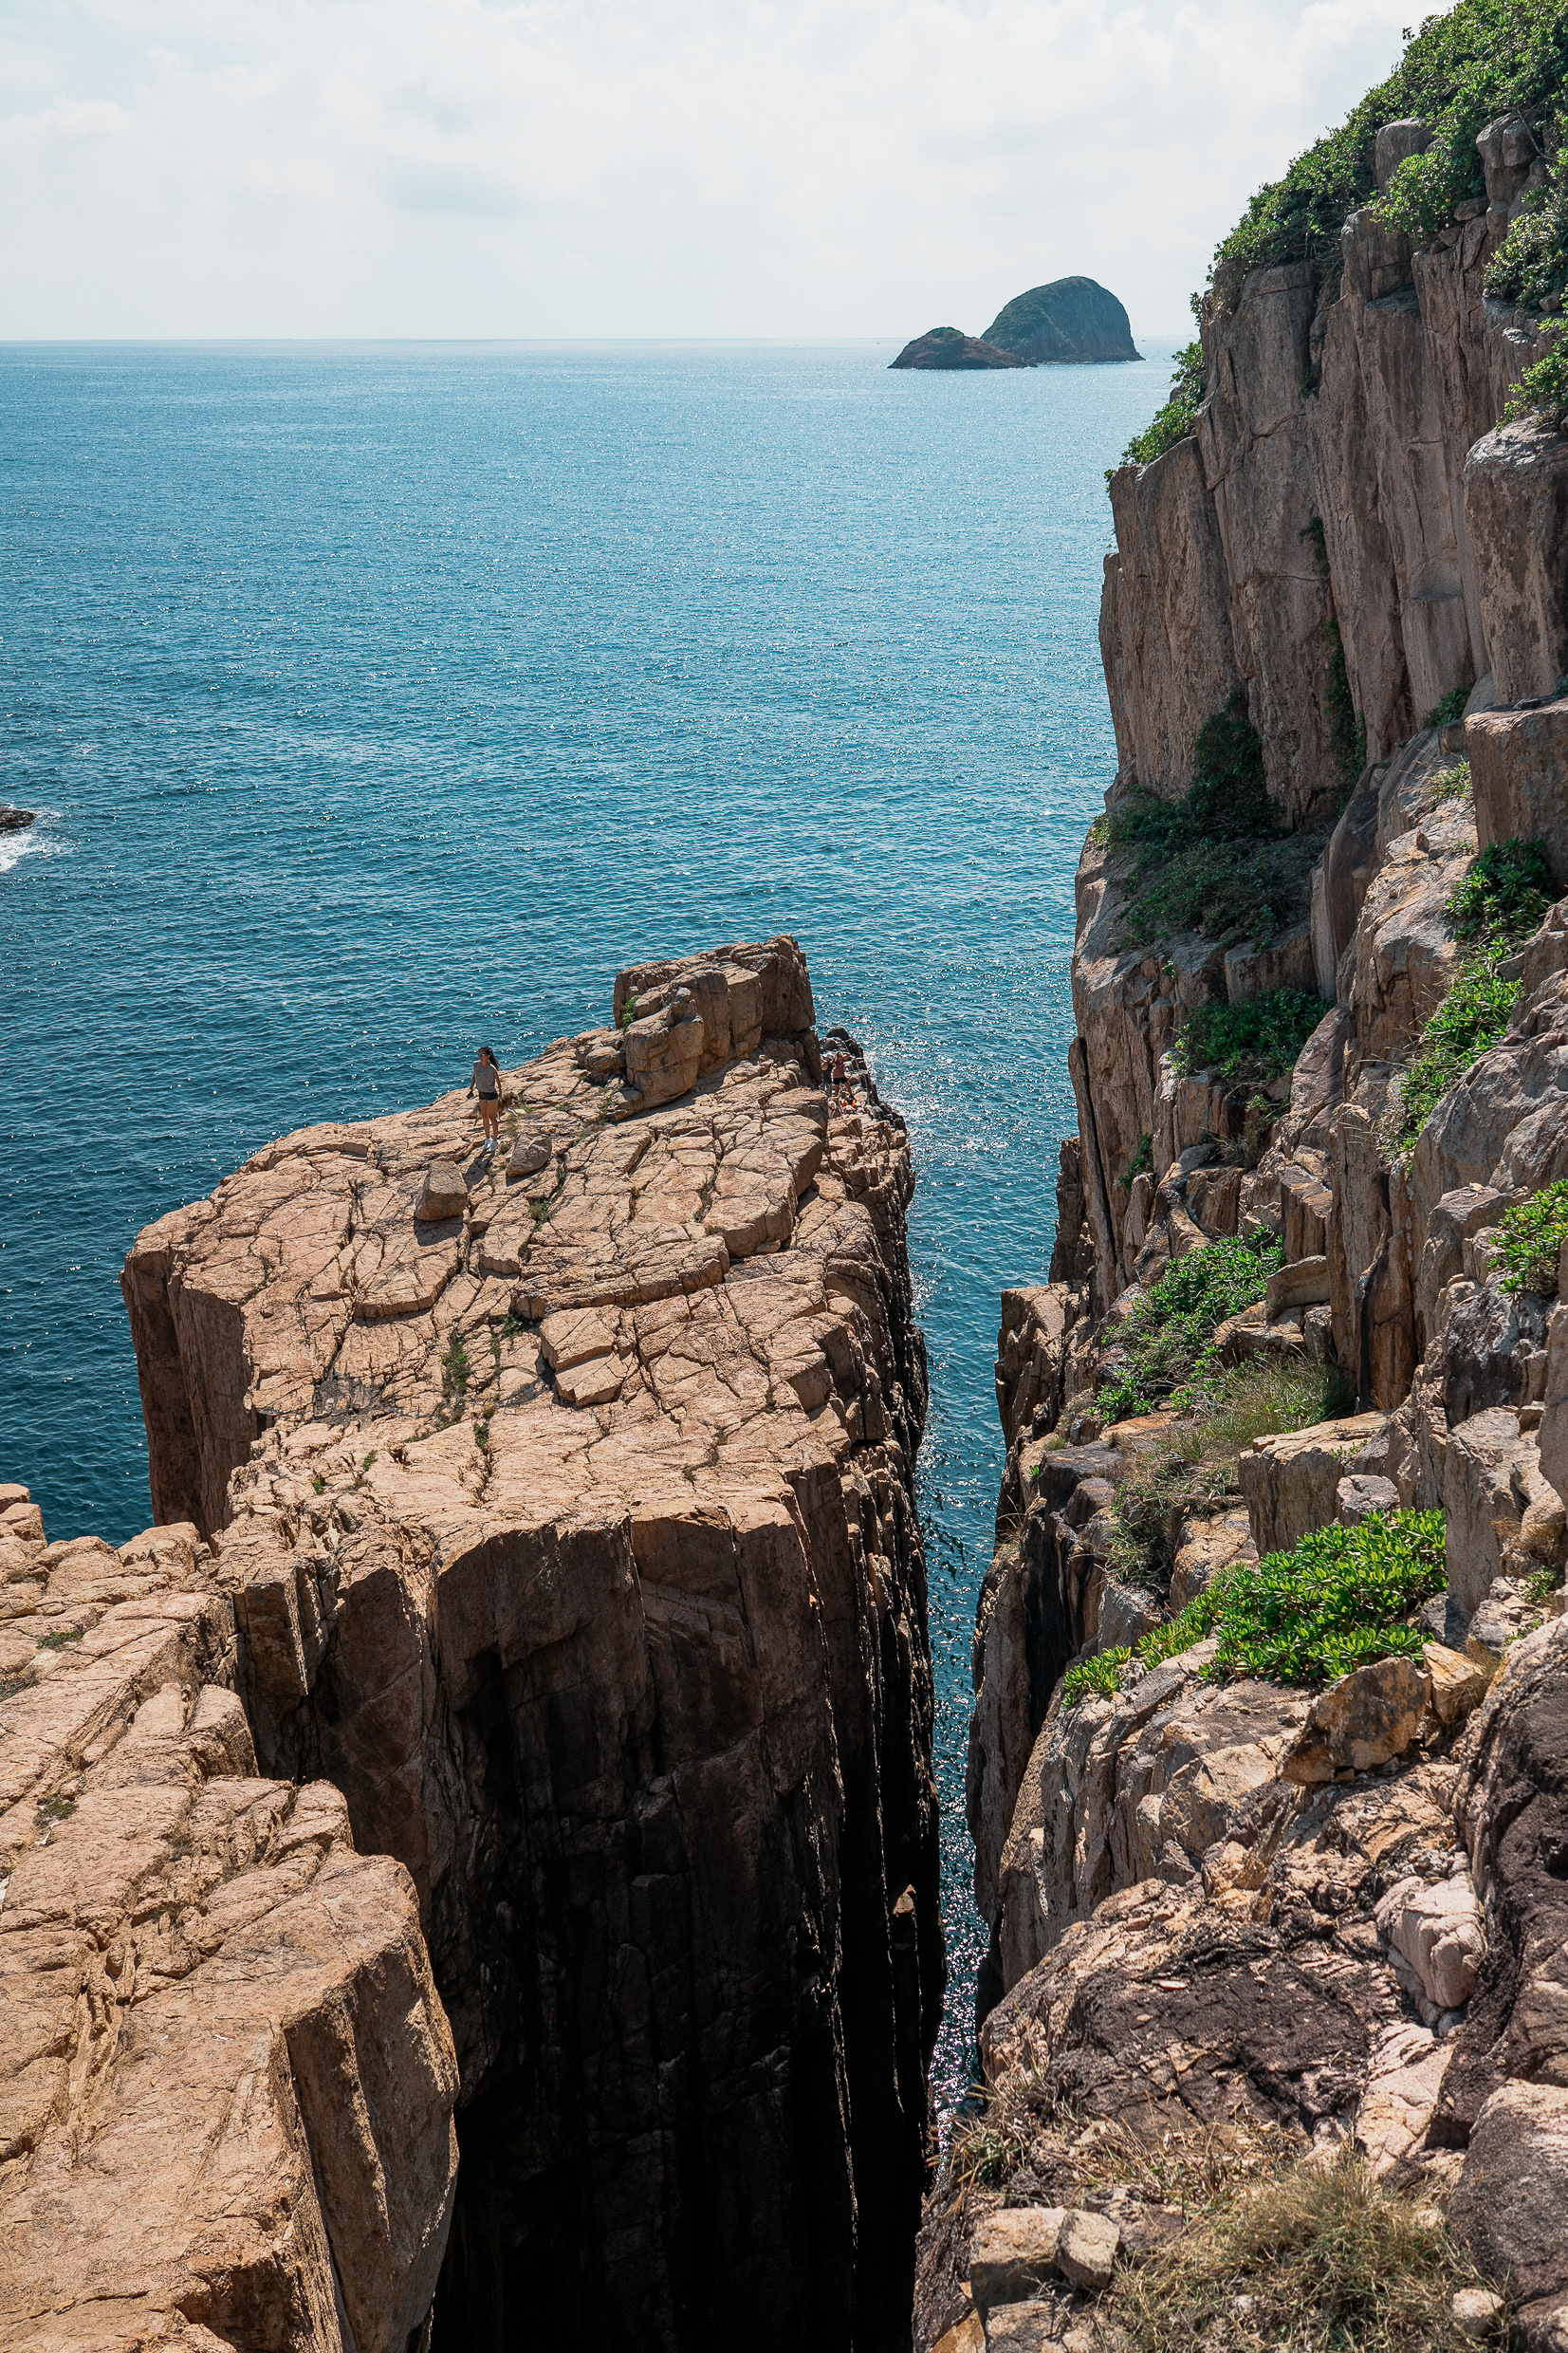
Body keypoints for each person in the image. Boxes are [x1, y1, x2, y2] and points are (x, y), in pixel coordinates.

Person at [470, 1046, 502, 1149]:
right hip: (481, 1093)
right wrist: (471, 1087)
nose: (480, 1056)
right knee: (484, 1117)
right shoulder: (476, 1065)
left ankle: (495, 1140)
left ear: (488, 1056)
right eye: (479, 1054)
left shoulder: (492, 1069)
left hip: (491, 1095)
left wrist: (500, 1093)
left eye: (482, 1055)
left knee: (492, 1117)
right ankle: (488, 1138)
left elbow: (498, 1081)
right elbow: (474, 1076)